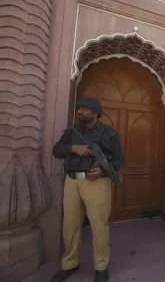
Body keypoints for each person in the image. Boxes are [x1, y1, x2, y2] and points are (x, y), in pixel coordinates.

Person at [51, 97, 124, 282]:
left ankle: (101, 267)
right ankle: (70, 264)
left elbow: (118, 161)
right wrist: (73, 148)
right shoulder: (71, 132)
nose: (80, 111)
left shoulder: (109, 133)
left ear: (96, 112)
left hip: (96, 183)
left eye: (84, 108)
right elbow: (56, 150)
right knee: (70, 226)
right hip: (72, 181)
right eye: (79, 108)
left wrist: (102, 173)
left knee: (99, 226)